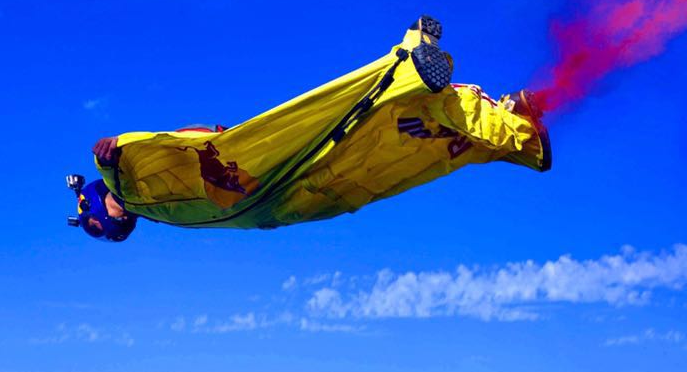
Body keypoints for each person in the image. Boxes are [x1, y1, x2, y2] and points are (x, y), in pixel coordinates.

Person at [69, 17, 551, 242]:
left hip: (282, 198)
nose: (103, 225)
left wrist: (222, 138)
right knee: (342, 130)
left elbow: (192, 140)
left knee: (369, 152)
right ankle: (406, 69)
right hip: (270, 190)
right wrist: (109, 162)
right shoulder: (139, 194)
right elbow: (160, 157)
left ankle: (506, 130)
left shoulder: (158, 200)